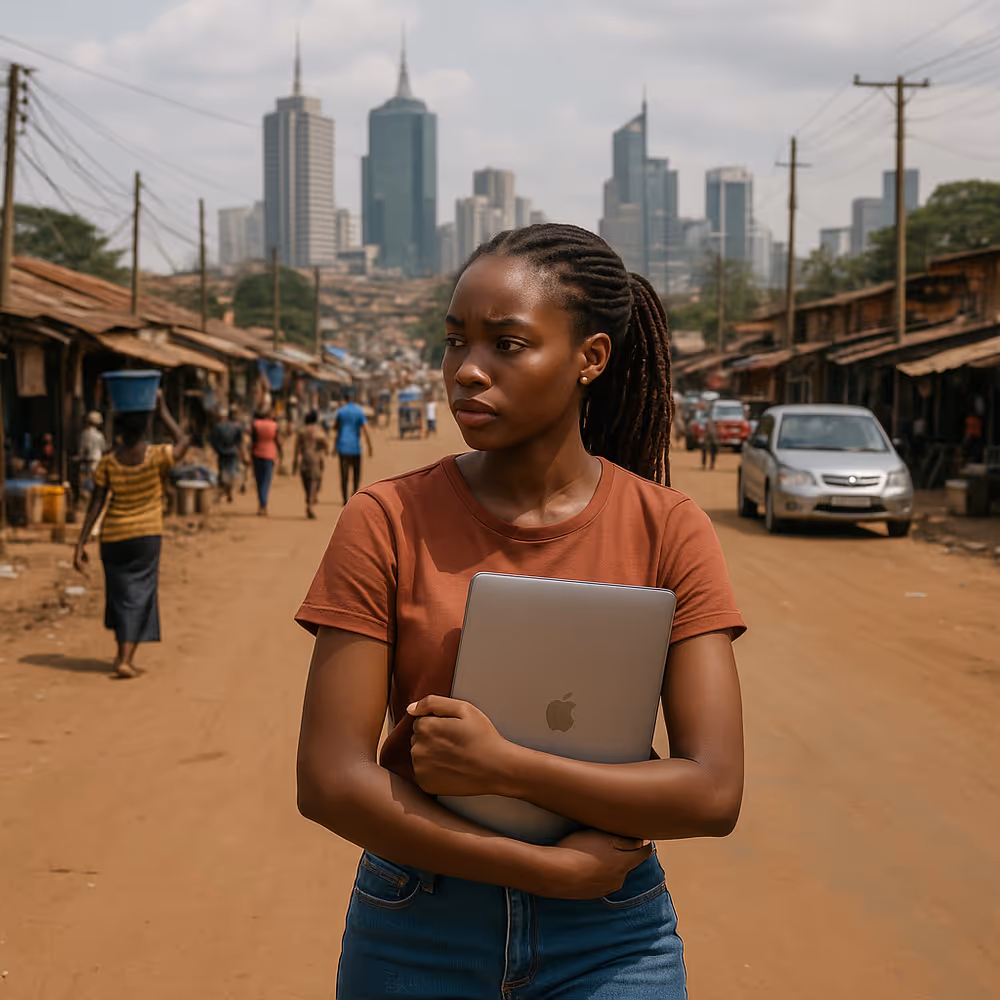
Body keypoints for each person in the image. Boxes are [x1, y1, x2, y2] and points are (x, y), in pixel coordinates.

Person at [295, 224, 745, 998]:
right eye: (454, 341)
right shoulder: (386, 520)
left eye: (507, 344)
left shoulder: (668, 527)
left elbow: (712, 791)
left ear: (590, 359)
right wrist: (543, 868)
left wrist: (505, 766)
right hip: (418, 924)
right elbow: (329, 778)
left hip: (610, 940)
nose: (467, 371)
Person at [73, 391, 189, 679]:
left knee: (121, 595)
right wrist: (164, 413)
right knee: (141, 595)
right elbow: (184, 443)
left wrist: (80, 542)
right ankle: (125, 658)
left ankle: (121, 655)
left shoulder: (109, 462)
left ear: (120, 431)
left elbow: (95, 504)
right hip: (146, 536)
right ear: (145, 428)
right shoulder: (156, 456)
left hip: (113, 537)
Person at [334, 389, 373, 504]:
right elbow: (366, 430)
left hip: (343, 446)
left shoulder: (341, 411)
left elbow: (337, 428)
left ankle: (344, 499)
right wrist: (370, 447)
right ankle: (354, 495)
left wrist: (334, 446)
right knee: (356, 474)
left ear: (345, 399)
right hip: (355, 447)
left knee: (344, 474)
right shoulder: (359, 411)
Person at [293, 410, 330, 519]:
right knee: (315, 483)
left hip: (305, 459)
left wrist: (294, 464)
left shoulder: (301, 432)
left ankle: (309, 498)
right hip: (315, 459)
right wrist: (324, 449)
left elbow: (296, 449)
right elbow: (325, 443)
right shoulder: (318, 431)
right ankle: (310, 504)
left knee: (306, 482)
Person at [208, 407, 246, 503]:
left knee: (223, 473)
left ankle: (226, 491)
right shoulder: (235, 427)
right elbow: (239, 441)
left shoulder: (217, 427)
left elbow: (212, 441)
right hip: (233, 453)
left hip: (222, 454)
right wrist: (242, 453)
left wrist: (216, 450)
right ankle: (229, 492)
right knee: (231, 472)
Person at [250, 405, 282, 516]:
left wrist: (251, 453)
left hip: (257, 454)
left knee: (258, 481)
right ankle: (263, 504)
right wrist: (281, 454)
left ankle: (261, 505)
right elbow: (278, 441)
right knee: (266, 481)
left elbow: (253, 441)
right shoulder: (275, 426)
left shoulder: (256, 424)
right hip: (270, 455)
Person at [79, 411, 107, 495]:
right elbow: (103, 448)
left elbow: (81, 448)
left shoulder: (84, 434)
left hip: (85, 461)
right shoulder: (99, 435)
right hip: (96, 461)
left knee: (85, 482)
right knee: (96, 481)